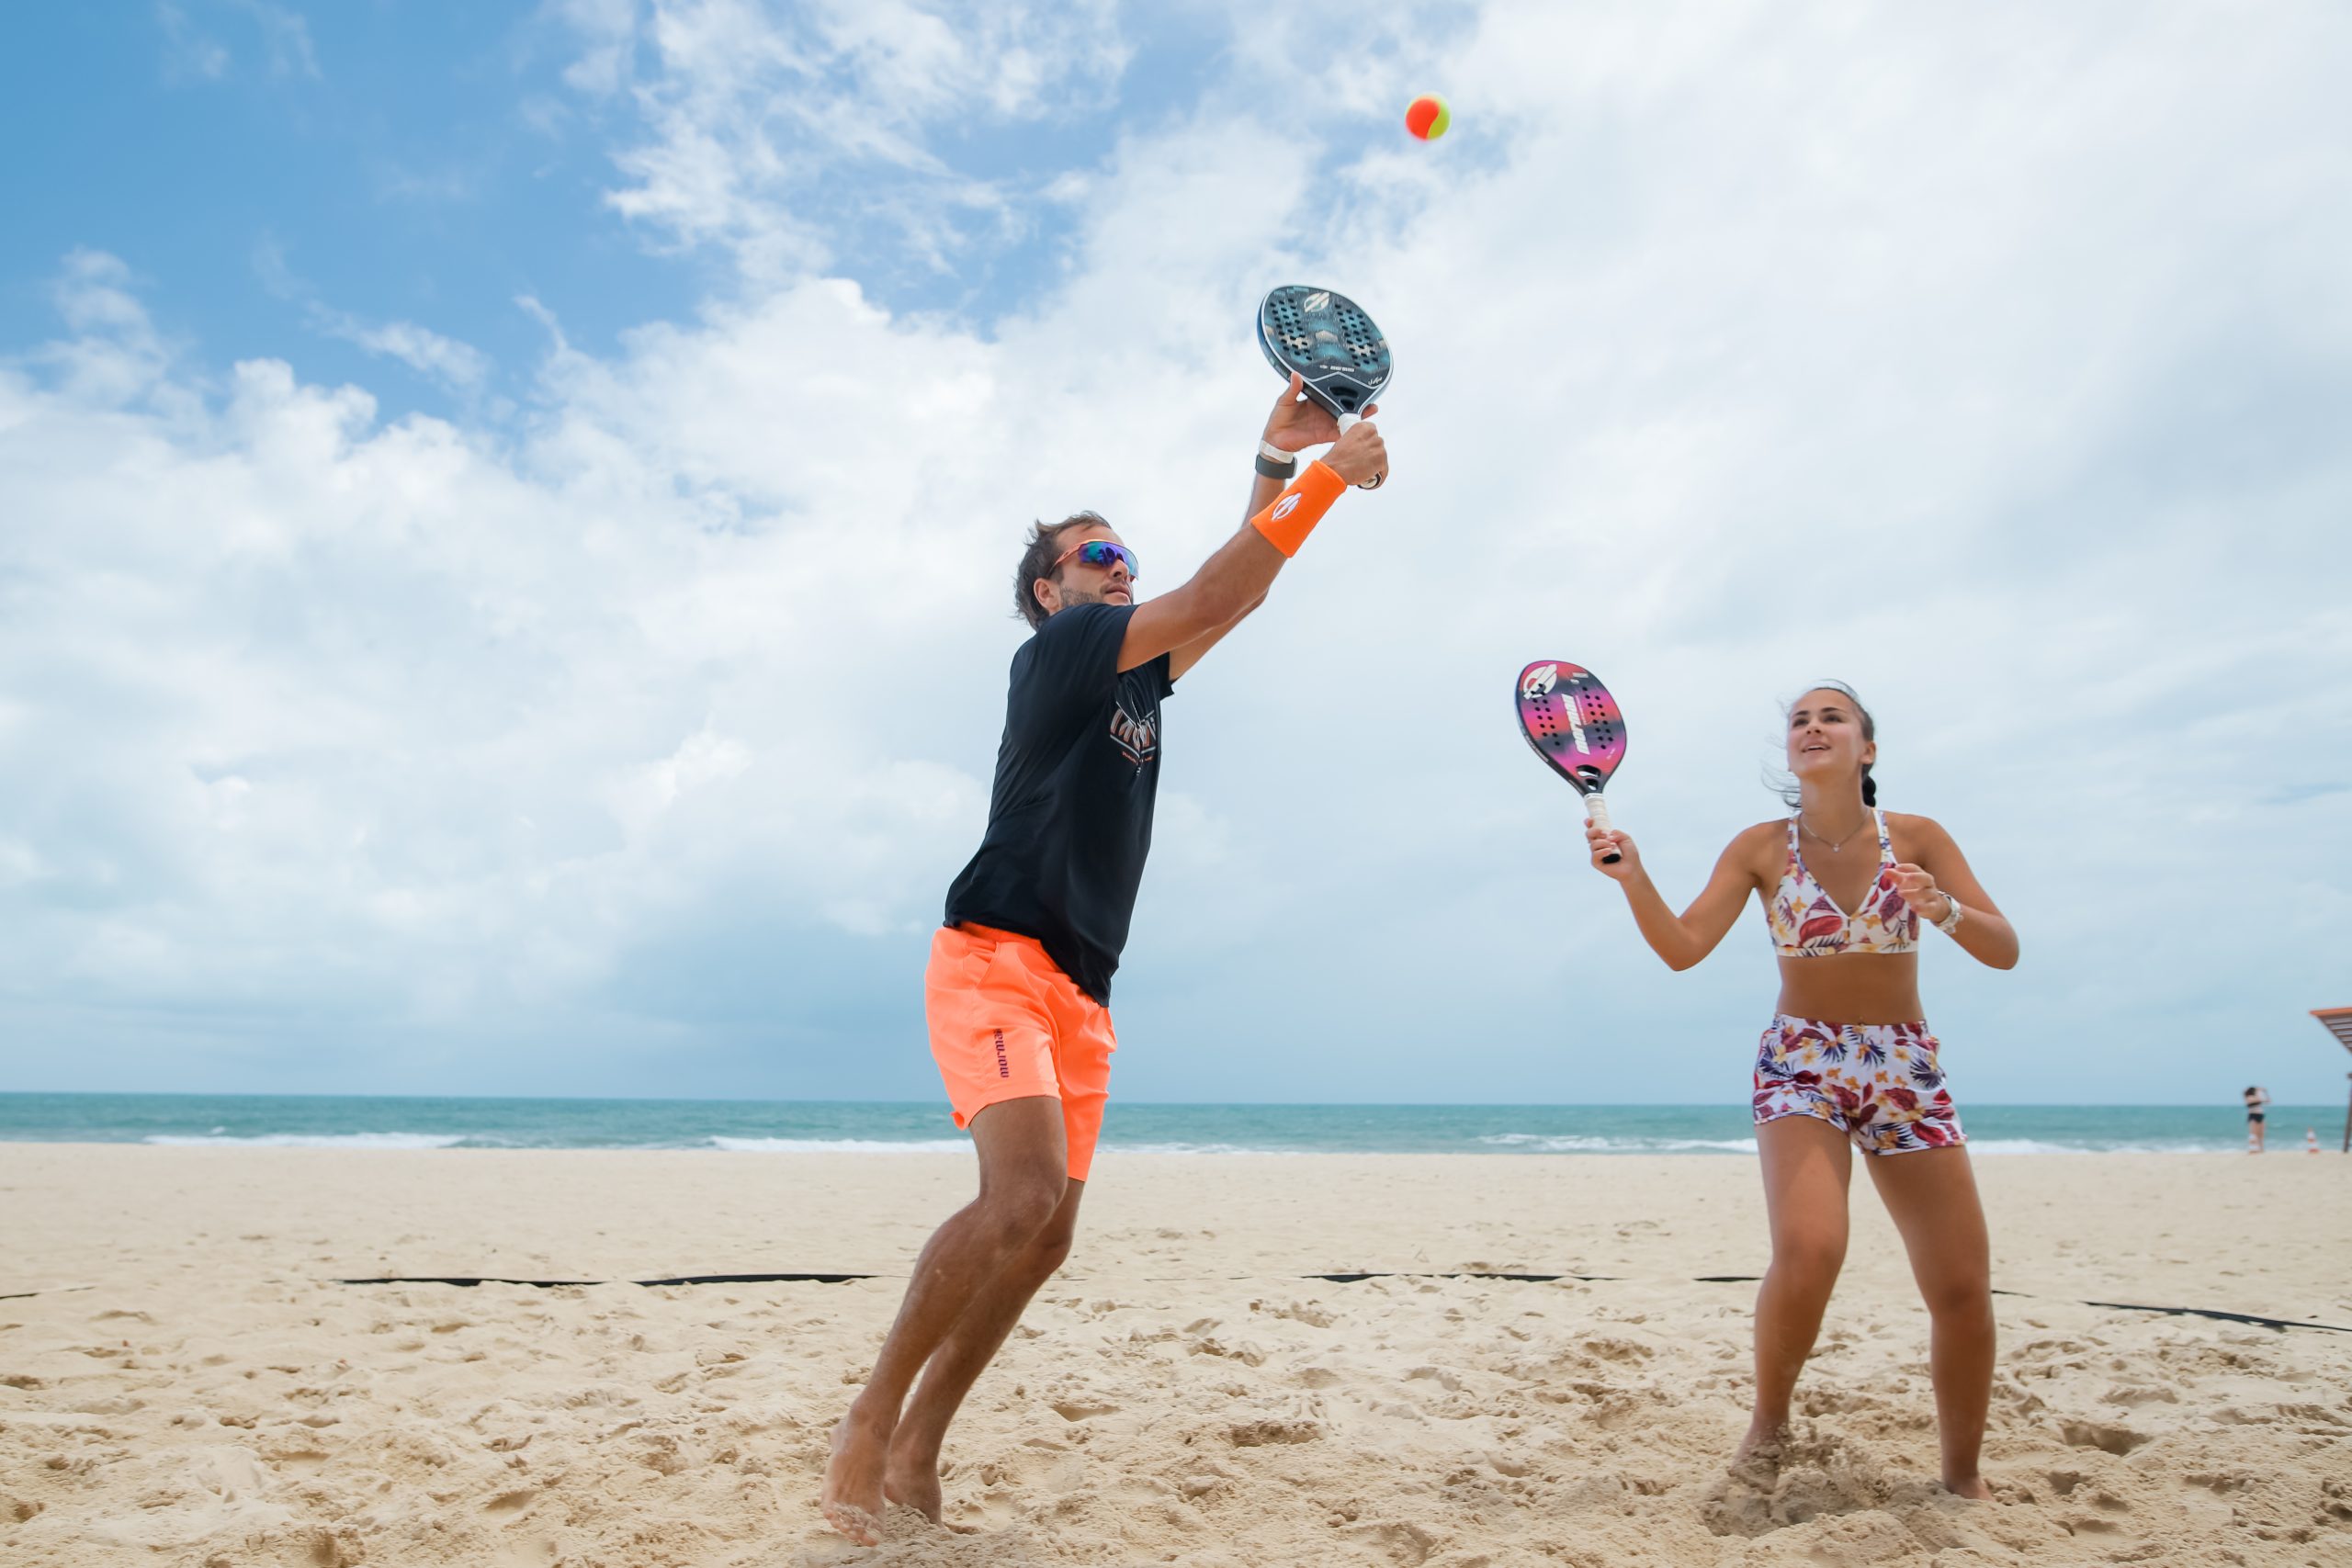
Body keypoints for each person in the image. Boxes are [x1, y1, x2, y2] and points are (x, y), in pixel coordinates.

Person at [820, 377, 1388, 1544]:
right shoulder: (1068, 651)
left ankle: (925, 1440)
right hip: (994, 955)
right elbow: (1220, 585)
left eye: (1127, 554)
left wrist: (1276, 471)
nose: (1119, 566)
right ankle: (869, 1424)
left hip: (1083, 983)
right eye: (1097, 554)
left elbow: (1233, 599)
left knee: (1052, 1233)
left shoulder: (1133, 672)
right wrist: (1327, 480)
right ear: (1051, 591)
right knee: (1017, 1197)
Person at [1583, 682, 2018, 1500]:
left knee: (1961, 1287)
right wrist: (1633, 878)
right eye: (1799, 720)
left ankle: (1962, 1477)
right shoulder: (1760, 847)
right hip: (1802, 1060)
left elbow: (2006, 948)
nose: (1812, 727)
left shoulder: (1919, 837)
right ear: (1790, 749)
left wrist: (1948, 908)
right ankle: (1769, 1424)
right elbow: (1682, 947)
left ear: (1868, 748)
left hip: (1904, 1065)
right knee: (1812, 1249)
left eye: (1832, 716)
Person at [2244, 1085, 2271, 1151]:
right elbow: (2258, 1099)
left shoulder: (2257, 1097)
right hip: (2253, 1115)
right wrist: (2259, 1090)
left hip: (2260, 1115)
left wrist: (2265, 1092)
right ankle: (2252, 1149)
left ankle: (2261, 1149)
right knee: (2253, 1133)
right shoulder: (2249, 1097)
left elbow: (2268, 1101)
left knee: (2261, 1134)